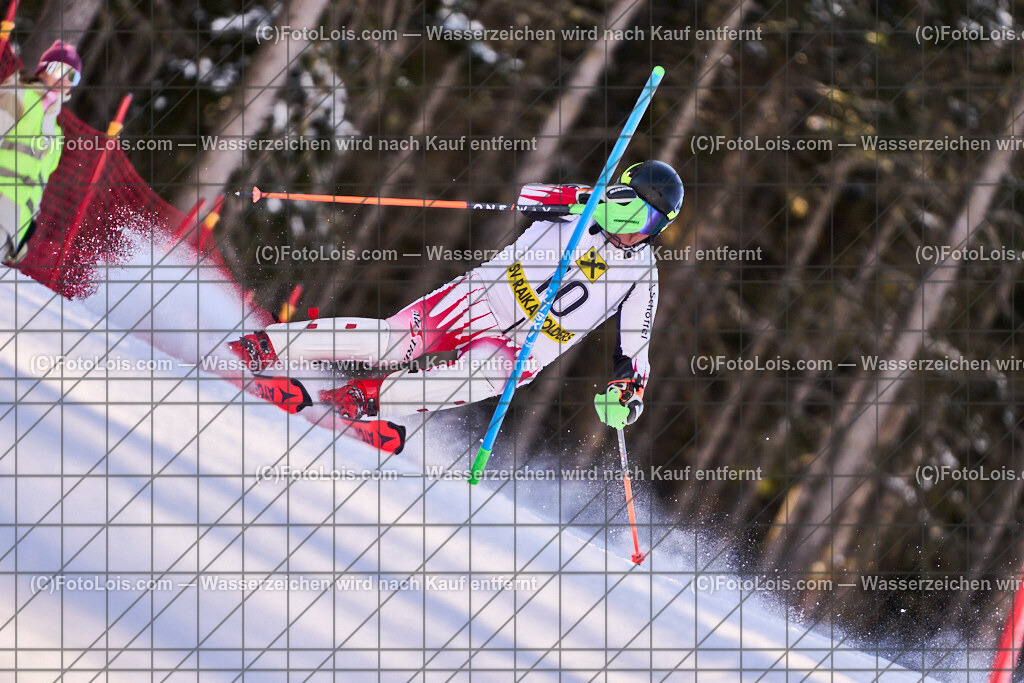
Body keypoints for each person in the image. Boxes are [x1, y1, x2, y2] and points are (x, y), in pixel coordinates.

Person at [231, 160, 684, 430]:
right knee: (394, 343)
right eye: (636, 216)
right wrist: (586, 198)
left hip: (528, 346)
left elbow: (635, 346)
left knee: (465, 379)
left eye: (652, 226)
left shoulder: (642, 273)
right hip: (483, 296)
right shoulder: (582, 208)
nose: (636, 234)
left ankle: (362, 399)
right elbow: (530, 195)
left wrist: (629, 391)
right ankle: (270, 346)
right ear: (620, 196)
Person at [0, 40, 81, 264]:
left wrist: (25, 231)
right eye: (58, 69)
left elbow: (38, 183)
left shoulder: (55, 132)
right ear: (43, 68)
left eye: (72, 76)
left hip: (11, 225)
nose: (64, 79)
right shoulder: (18, 94)